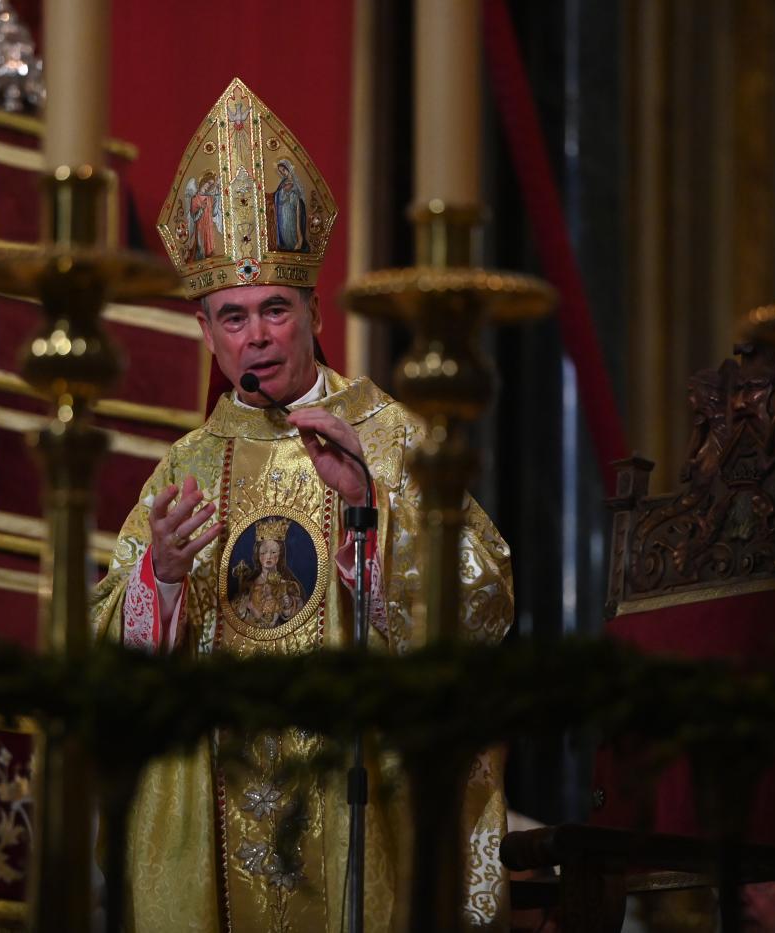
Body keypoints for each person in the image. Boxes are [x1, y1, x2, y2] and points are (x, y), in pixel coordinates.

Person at [94, 77, 514, 932]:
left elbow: (483, 598)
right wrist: (159, 578)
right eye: (233, 316)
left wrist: (370, 514)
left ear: (314, 312)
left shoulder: (386, 435)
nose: (256, 335)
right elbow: (105, 663)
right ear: (207, 333)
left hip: (359, 794)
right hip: (215, 813)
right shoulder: (185, 467)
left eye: (275, 310)